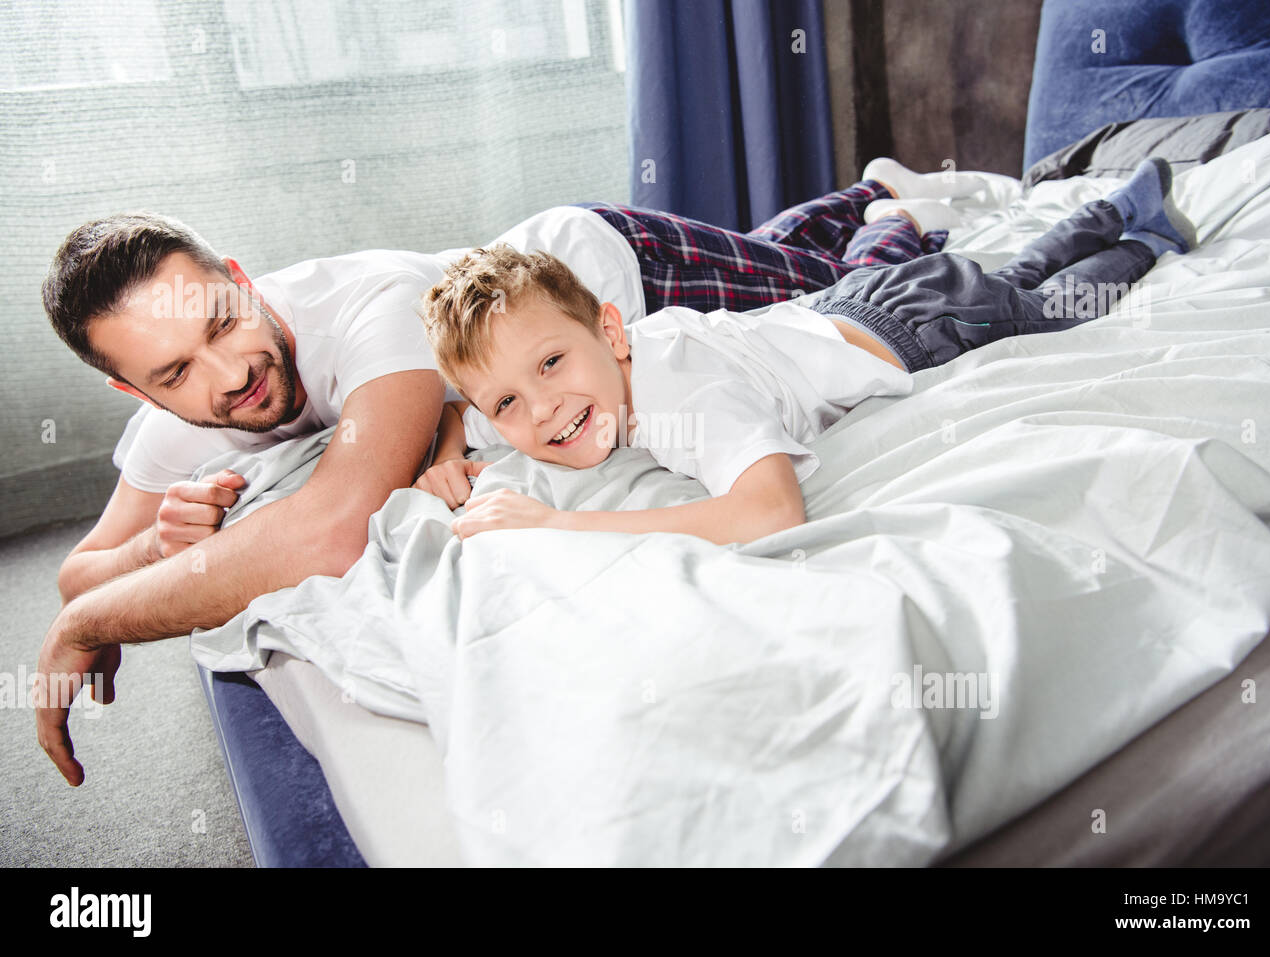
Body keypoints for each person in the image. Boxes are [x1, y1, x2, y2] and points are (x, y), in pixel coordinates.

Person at [32, 163, 962, 785]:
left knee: (823, 284)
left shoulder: (368, 312)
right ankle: (863, 200)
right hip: (523, 338)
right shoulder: (174, 418)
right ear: (133, 390)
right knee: (814, 268)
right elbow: (87, 560)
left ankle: (883, 205)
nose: (228, 373)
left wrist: (87, 621)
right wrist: (159, 542)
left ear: (238, 275)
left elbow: (330, 526)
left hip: (618, 272)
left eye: (222, 324)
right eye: (174, 375)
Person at [419, 159, 1194, 547]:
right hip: (852, 302)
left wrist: (553, 527)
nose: (543, 408)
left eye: (550, 365)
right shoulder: (577, 384)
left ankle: (1144, 239)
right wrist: (455, 447)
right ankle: (1109, 205)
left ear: (613, 333)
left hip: (917, 331)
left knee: (1040, 307)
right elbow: (473, 407)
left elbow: (768, 510)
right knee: (1011, 275)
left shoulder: (677, 389)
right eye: (509, 403)